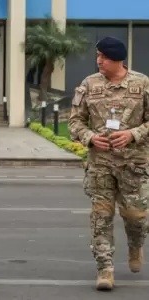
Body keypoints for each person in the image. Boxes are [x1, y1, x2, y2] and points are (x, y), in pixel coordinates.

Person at [69, 36, 149, 291]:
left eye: (103, 56)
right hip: (100, 166)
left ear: (118, 59)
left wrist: (132, 134)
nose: (98, 61)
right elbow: (74, 122)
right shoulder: (89, 84)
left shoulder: (142, 83)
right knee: (101, 217)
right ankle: (105, 269)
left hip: (134, 165)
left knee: (137, 218)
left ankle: (136, 244)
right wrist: (90, 137)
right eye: (98, 56)